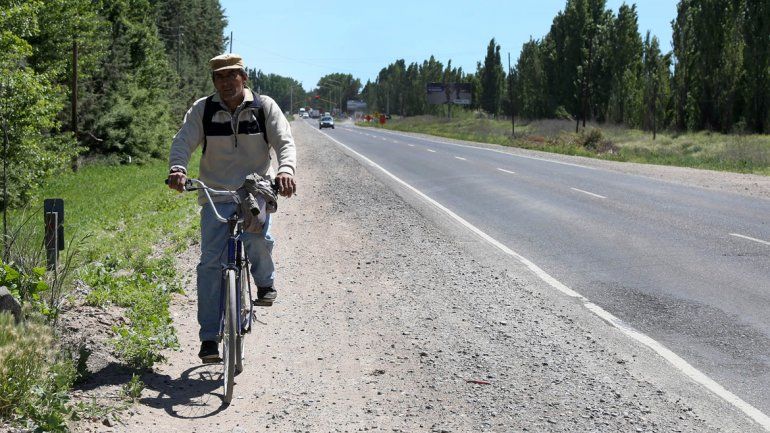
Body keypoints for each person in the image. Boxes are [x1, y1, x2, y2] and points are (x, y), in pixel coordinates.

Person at [167, 53, 297, 362]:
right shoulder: (204, 109)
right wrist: (178, 169)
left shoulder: (264, 107)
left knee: (256, 237)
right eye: (219, 77)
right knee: (210, 264)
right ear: (214, 81)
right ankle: (210, 338)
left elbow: (284, 142)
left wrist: (286, 170)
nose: (226, 82)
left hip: (254, 190)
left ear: (244, 77)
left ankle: (264, 282)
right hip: (216, 194)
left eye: (231, 76)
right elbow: (183, 141)